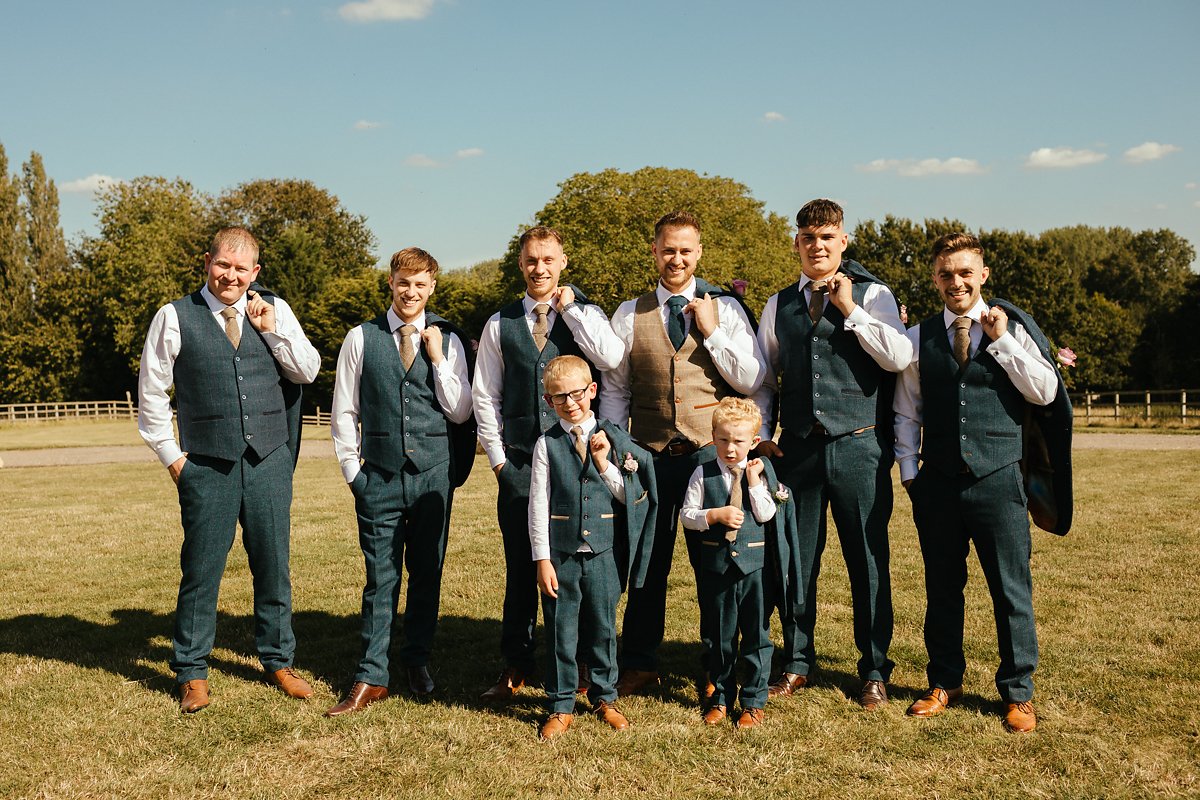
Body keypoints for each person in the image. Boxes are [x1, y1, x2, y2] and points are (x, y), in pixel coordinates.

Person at [137, 226, 320, 712]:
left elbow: (307, 370)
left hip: (269, 460)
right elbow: (152, 394)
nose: (231, 276)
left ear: (255, 272)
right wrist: (174, 459)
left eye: (242, 269)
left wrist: (270, 329)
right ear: (207, 262)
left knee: (273, 564)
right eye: (223, 265)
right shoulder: (174, 316)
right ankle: (192, 671)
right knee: (201, 569)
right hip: (207, 464)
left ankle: (279, 660)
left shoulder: (274, 310)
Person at [894, 232, 1060, 733]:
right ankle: (945, 680)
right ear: (935, 279)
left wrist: (1004, 340)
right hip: (938, 483)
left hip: (999, 478)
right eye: (946, 274)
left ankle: (1018, 692)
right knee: (942, 587)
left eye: (965, 273)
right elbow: (907, 410)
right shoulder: (920, 336)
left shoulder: (1012, 330)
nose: (956, 282)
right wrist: (911, 474)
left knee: (1011, 589)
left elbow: (1046, 391)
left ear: (982, 275)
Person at [751, 199, 913, 708]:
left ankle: (873, 669)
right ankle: (797, 661)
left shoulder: (874, 294)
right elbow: (763, 376)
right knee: (796, 562)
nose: (816, 246)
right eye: (807, 238)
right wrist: (761, 432)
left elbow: (899, 357)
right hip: (797, 451)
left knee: (867, 561)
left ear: (842, 241)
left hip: (859, 446)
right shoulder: (778, 304)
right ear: (796, 243)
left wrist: (851, 310)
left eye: (826, 238)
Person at [600, 210, 766, 696]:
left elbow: (749, 379)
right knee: (646, 563)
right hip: (649, 456)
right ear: (654, 252)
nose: (676, 258)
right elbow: (615, 387)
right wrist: (618, 441)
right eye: (668, 249)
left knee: (715, 564)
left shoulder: (728, 310)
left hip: (706, 454)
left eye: (685, 250)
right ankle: (640, 662)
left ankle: (717, 667)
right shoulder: (630, 313)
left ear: (699, 253)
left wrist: (712, 332)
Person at [472, 226, 626, 701]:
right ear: (521, 265)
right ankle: (516, 663)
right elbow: (485, 395)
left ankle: (580, 664)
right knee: (521, 567)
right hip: (518, 461)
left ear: (563, 263)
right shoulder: (499, 324)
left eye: (548, 260)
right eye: (531, 260)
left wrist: (571, 309)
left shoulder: (587, 314)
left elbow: (612, 357)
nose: (539, 268)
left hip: (578, 463)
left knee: (577, 565)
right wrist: (499, 462)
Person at [325, 247, 474, 717]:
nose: (411, 292)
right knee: (380, 578)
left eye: (420, 284)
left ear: (432, 287)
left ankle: (417, 660)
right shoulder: (360, 338)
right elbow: (344, 411)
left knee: (427, 572)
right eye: (403, 283)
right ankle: (371, 674)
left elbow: (461, 410)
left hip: (433, 476)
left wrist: (438, 360)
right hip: (380, 476)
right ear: (390, 283)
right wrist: (355, 473)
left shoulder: (449, 339)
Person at [528, 356, 657, 740]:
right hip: (561, 553)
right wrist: (542, 559)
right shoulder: (546, 444)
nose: (570, 403)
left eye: (576, 394)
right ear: (548, 401)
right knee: (560, 630)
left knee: (603, 628)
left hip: (604, 553)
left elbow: (627, 496)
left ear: (592, 391)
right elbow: (538, 504)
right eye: (559, 397)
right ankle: (560, 703)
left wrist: (603, 463)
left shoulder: (614, 439)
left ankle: (605, 697)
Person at [681, 398, 799, 729]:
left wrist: (753, 483)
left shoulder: (758, 474)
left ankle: (753, 701)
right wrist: (713, 515)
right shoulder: (701, 474)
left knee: (757, 637)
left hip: (755, 570)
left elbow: (766, 514)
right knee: (720, 635)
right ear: (713, 436)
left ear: (753, 439)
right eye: (723, 440)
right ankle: (719, 697)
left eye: (738, 442)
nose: (730, 449)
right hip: (717, 569)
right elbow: (687, 516)